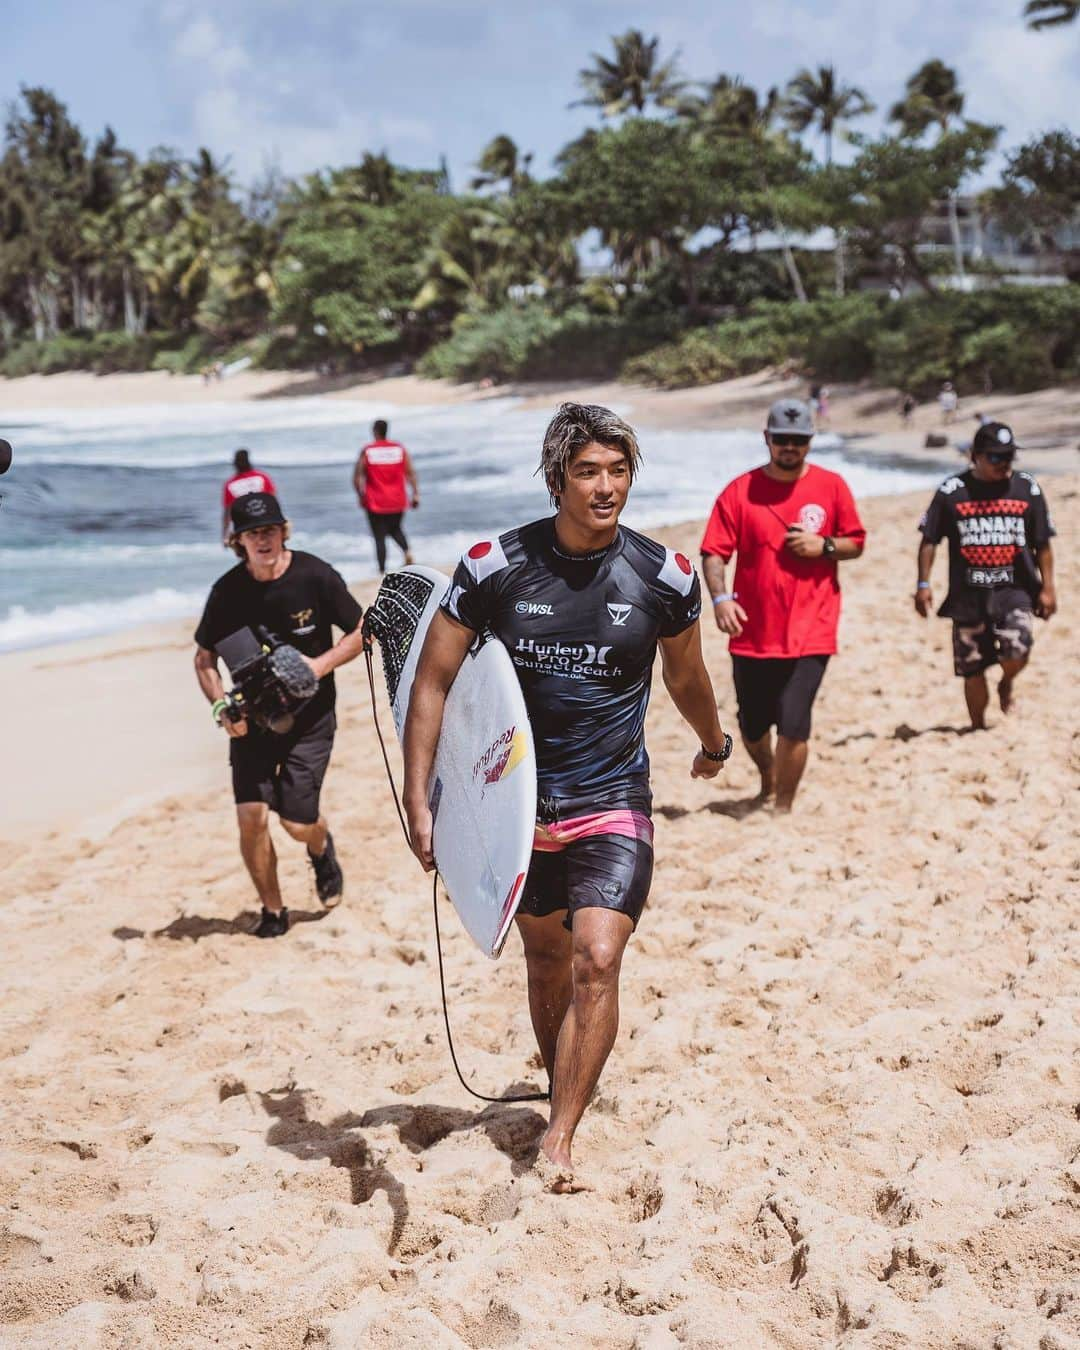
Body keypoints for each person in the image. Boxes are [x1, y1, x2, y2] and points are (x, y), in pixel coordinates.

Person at [402, 403, 732, 1190]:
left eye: (618, 471)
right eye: (588, 471)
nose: (606, 486)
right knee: (547, 960)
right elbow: (435, 681)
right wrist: (421, 800)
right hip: (515, 808)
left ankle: (559, 1137)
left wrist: (714, 742)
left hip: (613, 798)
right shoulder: (492, 568)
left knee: (597, 957)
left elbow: (685, 674)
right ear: (558, 478)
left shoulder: (665, 577)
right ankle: (565, 1085)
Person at [194, 492, 365, 937]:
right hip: (251, 719)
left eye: (269, 529)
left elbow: (363, 629)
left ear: (283, 530)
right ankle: (273, 911)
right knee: (251, 816)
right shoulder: (227, 592)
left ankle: (320, 848)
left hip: (311, 720)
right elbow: (204, 660)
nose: (262, 539)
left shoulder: (314, 575)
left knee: (296, 822)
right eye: (252, 533)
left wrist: (319, 665)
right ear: (238, 541)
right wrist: (219, 707)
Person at [700, 398, 866, 812]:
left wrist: (823, 545)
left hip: (812, 628)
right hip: (752, 632)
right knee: (752, 727)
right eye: (782, 439)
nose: (790, 447)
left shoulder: (832, 487)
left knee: (795, 723)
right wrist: (720, 598)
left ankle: (784, 806)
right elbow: (714, 553)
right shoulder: (740, 491)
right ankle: (768, 778)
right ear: (767, 439)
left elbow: (856, 542)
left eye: (799, 440)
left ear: (810, 441)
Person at [915, 421, 1056, 730]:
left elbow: (1043, 542)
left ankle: (1006, 681)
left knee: (1019, 646)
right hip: (968, 595)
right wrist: (923, 584)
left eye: (1009, 456)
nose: (1004, 464)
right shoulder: (952, 491)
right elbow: (929, 539)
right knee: (972, 669)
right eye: (995, 457)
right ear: (974, 456)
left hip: (1013, 588)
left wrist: (1048, 587)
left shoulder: (1027, 488)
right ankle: (977, 726)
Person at [353, 420, 418, 572]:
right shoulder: (399, 449)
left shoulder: (368, 451)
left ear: (375, 431)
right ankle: (407, 551)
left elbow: (357, 477)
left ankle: (382, 570)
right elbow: (410, 473)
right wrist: (415, 494)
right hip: (397, 499)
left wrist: (360, 495)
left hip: (375, 501)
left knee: (379, 536)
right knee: (395, 529)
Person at [222, 450, 277, 545]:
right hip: (266, 522)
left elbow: (227, 513)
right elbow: (272, 501)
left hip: (244, 528)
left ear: (235, 463)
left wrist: (225, 535)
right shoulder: (261, 477)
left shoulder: (230, 484)